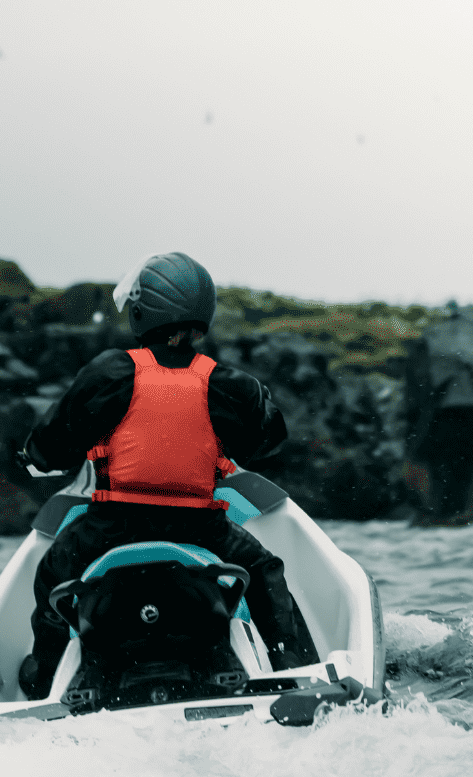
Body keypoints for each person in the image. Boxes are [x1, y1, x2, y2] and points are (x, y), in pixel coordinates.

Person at [16, 251, 318, 699]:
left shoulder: (111, 372)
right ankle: (292, 670)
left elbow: (51, 446)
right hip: (200, 526)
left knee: (50, 576)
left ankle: (42, 677)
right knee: (265, 572)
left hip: (111, 525)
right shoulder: (226, 383)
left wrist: (33, 456)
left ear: (141, 312)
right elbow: (268, 442)